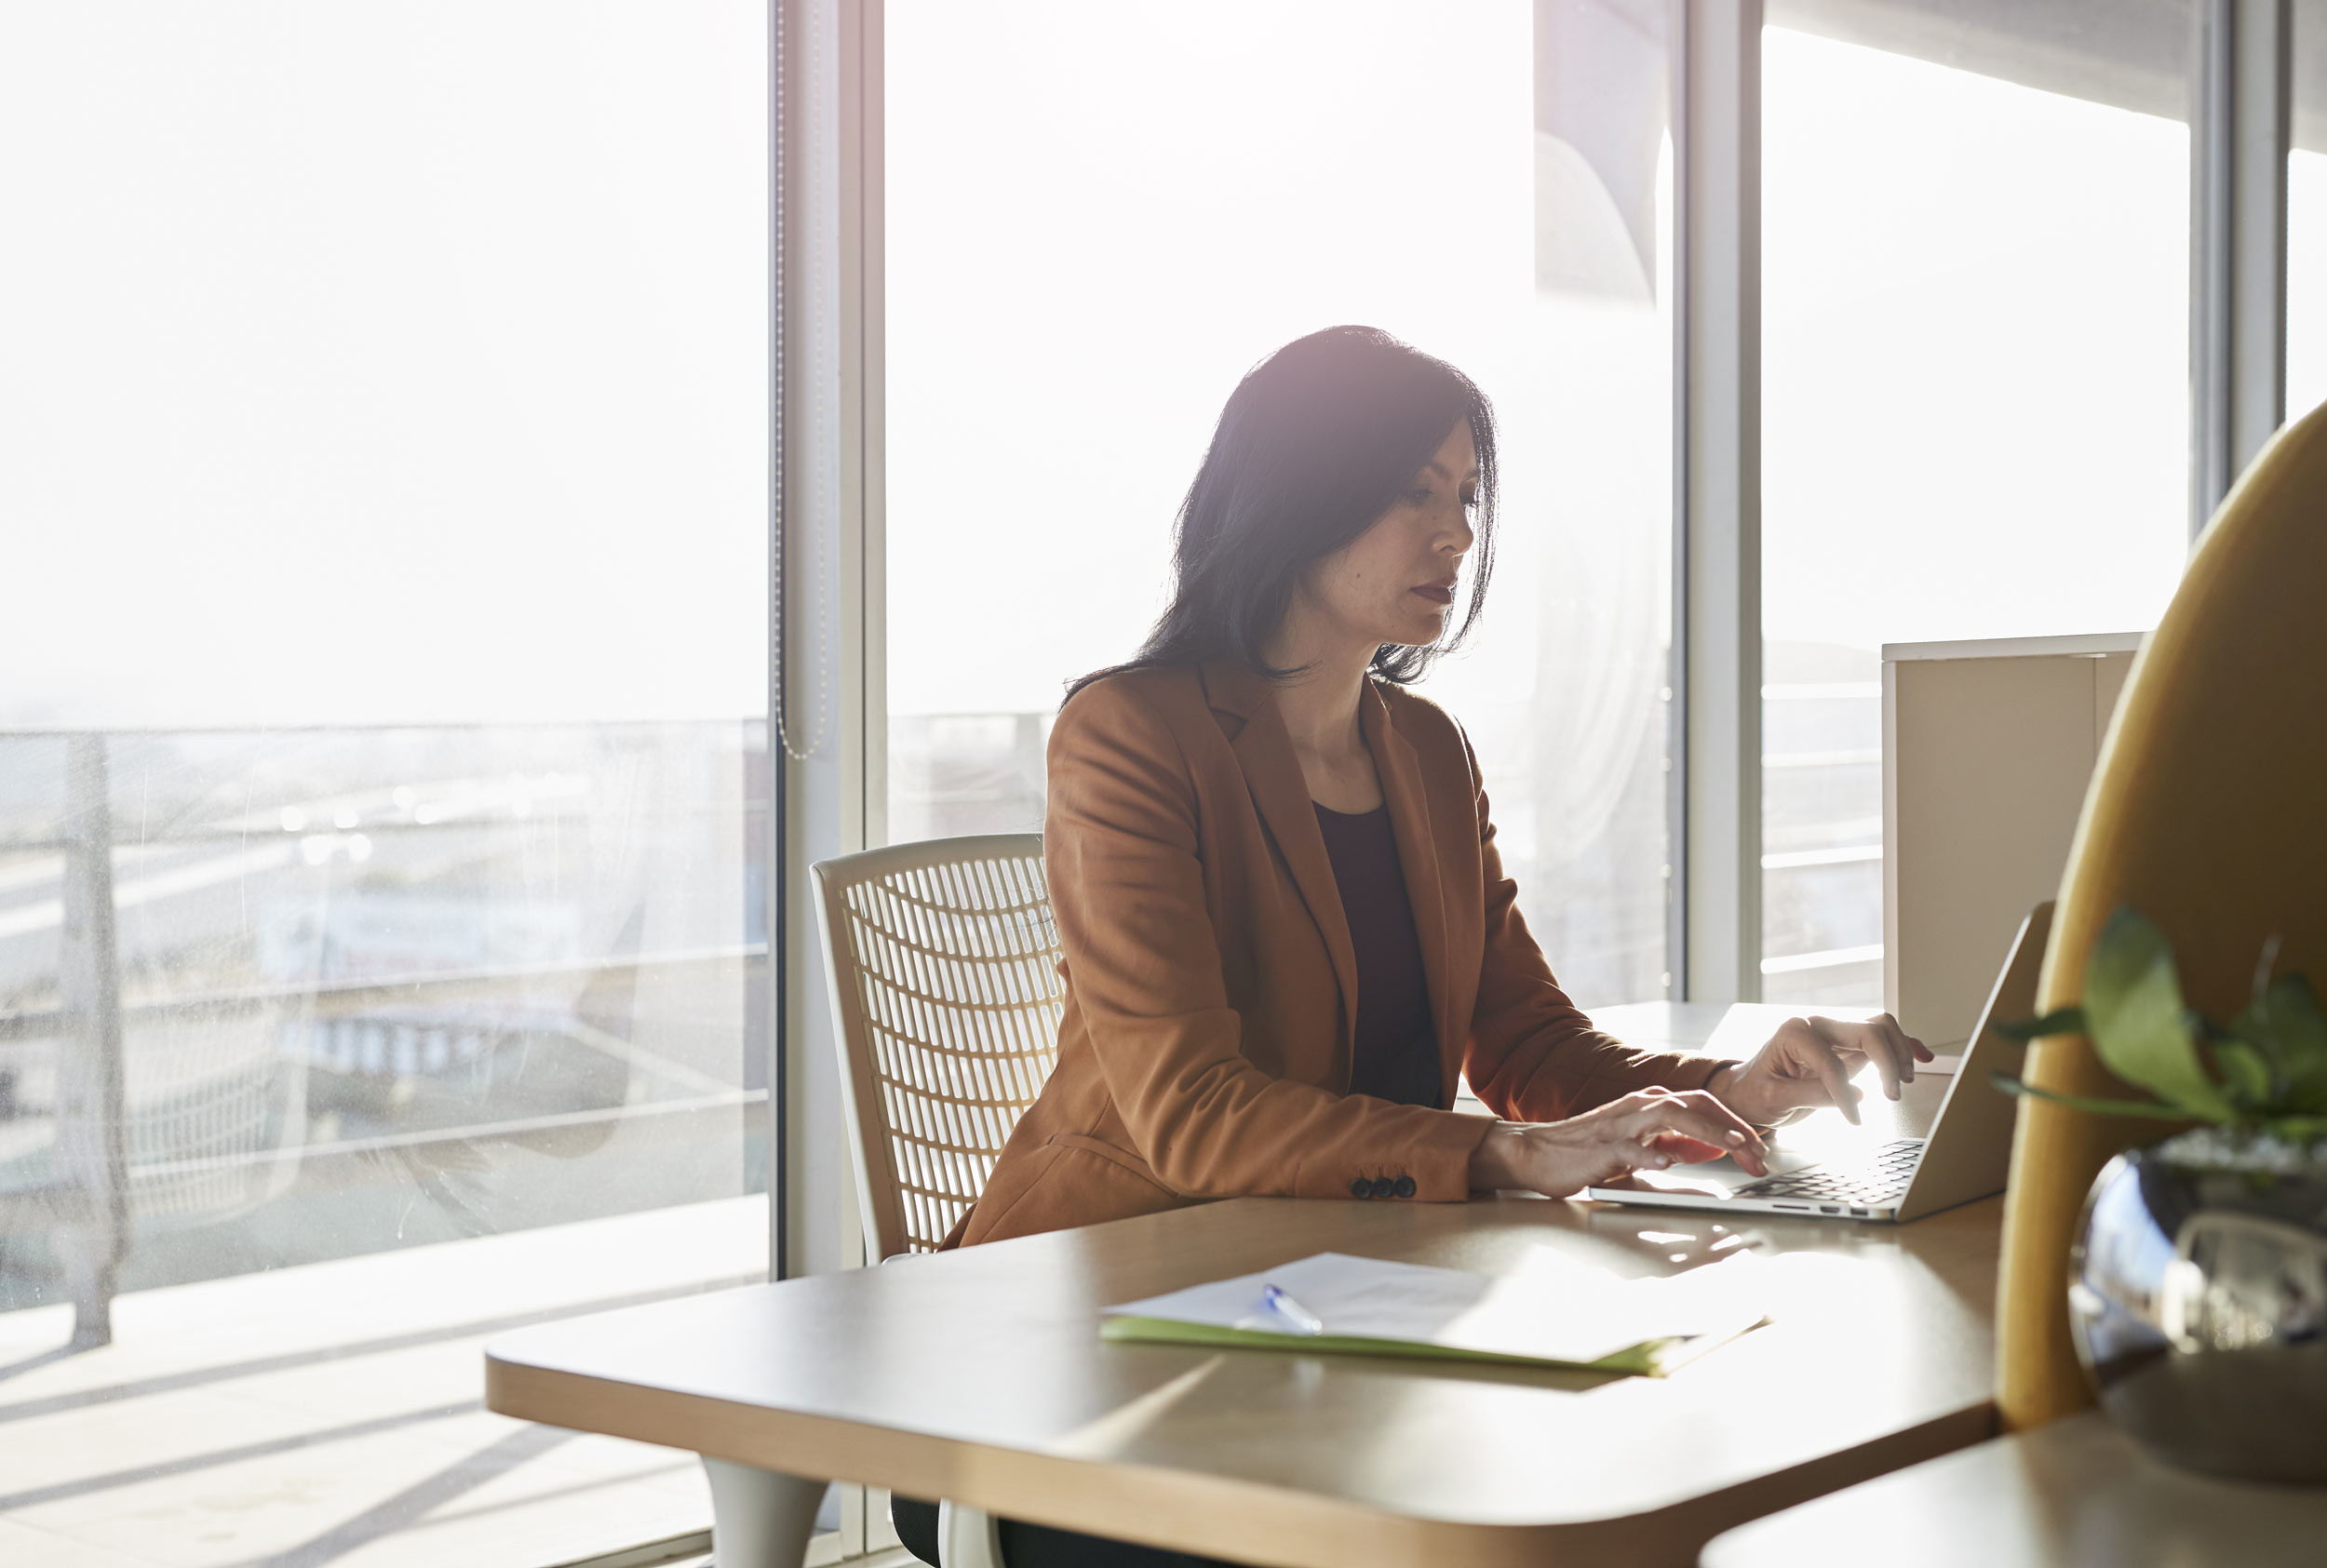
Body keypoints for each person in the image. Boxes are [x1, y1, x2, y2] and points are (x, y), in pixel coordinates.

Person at [894, 326, 1929, 1568]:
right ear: (1297, 496)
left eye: (1465, 498)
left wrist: (1734, 1092)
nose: (1456, 535)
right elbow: (1192, 1112)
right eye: (1412, 492)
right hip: (1093, 1349)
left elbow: (1529, 1042)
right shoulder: (1131, 733)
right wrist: (1501, 1154)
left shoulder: (1427, 753)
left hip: (1340, 1310)